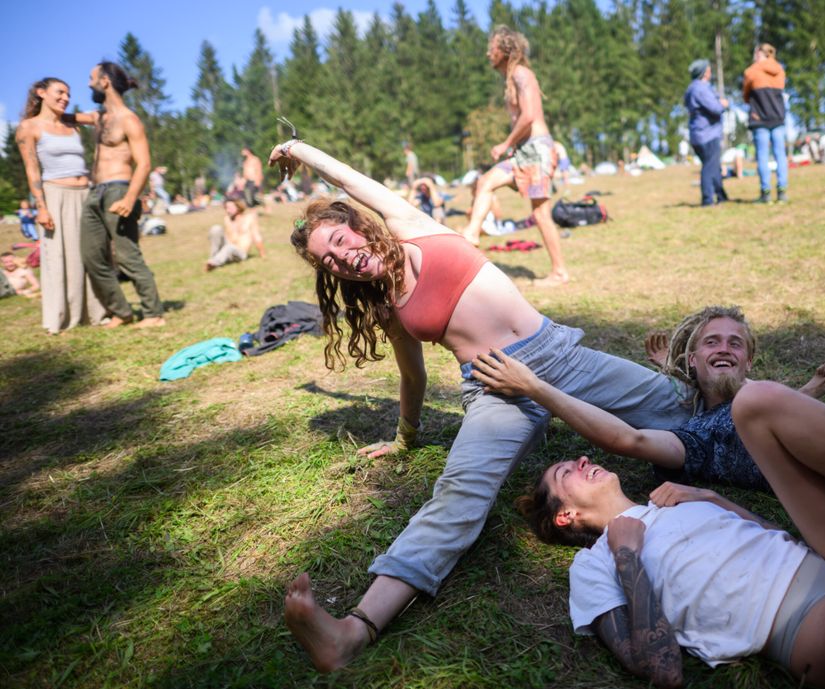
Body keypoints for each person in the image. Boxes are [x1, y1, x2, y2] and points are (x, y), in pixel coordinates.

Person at [266, 137, 692, 673]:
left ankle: (790, 428)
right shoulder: (387, 307)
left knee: (676, 406)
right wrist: (405, 436)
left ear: (356, 222)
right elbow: (412, 373)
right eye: (328, 260)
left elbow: (353, 180)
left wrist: (299, 150)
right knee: (458, 495)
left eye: (338, 238)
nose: (341, 256)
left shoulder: (413, 226)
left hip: (558, 357)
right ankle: (352, 631)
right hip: (494, 386)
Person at [515, 412, 825, 688]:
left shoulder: (677, 500)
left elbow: (776, 539)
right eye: (567, 472)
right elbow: (660, 669)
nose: (583, 460)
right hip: (816, 625)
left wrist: (713, 498)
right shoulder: (594, 564)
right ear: (565, 516)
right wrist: (627, 555)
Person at [472, 305, 825, 515]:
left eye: (736, 343)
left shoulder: (765, 394)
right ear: (691, 361)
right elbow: (627, 440)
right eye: (711, 341)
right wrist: (536, 387)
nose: (725, 347)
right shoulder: (696, 440)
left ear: (750, 360)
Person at [460, 26, 569, 286]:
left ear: (505, 50)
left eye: (492, 47)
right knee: (486, 181)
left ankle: (560, 272)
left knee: (541, 214)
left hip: (537, 150)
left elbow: (530, 115)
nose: (488, 53)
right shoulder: (511, 78)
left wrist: (506, 143)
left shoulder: (522, 74)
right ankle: (472, 235)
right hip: (524, 152)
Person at [15, 77, 106, 334]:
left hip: (84, 193)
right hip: (55, 194)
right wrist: (41, 207)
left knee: (89, 252)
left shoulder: (70, 122)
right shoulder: (29, 127)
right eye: (60, 92)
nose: (65, 97)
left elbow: (102, 116)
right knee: (57, 255)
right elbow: (32, 170)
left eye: (68, 93)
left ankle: (95, 311)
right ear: (41, 93)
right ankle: (60, 317)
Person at [78, 61, 166, 328]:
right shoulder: (98, 118)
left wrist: (130, 198)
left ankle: (153, 314)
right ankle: (121, 311)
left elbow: (145, 163)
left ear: (105, 81)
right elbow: (63, 117)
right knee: (92, 256)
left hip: (119, 189)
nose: (88, 83)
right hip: (94, 193)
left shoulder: (129, 119)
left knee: (128, 256)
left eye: (91, 78)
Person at [743, 43, 788, 203]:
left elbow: (746, 95)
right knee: (780, 155)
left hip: (759, 118)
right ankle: (782, 191)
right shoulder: (779, 70)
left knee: (762, 155)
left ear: (758, 54)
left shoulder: (751, 71)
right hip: (778, 117)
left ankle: (765, 192)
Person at [683, 59, 728, 206]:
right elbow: (715, 108)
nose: (710, 72)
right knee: (709, 166)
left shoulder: (692, 89)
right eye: (708, 69)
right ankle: (708, 199)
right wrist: (723, 104)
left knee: (713, 166)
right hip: (707, 134)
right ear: (704, 72)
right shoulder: (700, 89)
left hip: (699, 134)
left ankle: (721, 195)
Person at [205, 199, 266, 271]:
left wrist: (262, 254)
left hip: (241, 252)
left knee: (230, 247)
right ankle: (213, 258)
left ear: (238, 207)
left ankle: (214, 263)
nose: (228, 210)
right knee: (216, 228)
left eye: (230, 208)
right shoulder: (227, 219)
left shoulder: (249, 218)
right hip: (228, 249)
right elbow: (225, 237)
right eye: (226, 208)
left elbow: (256, 236)